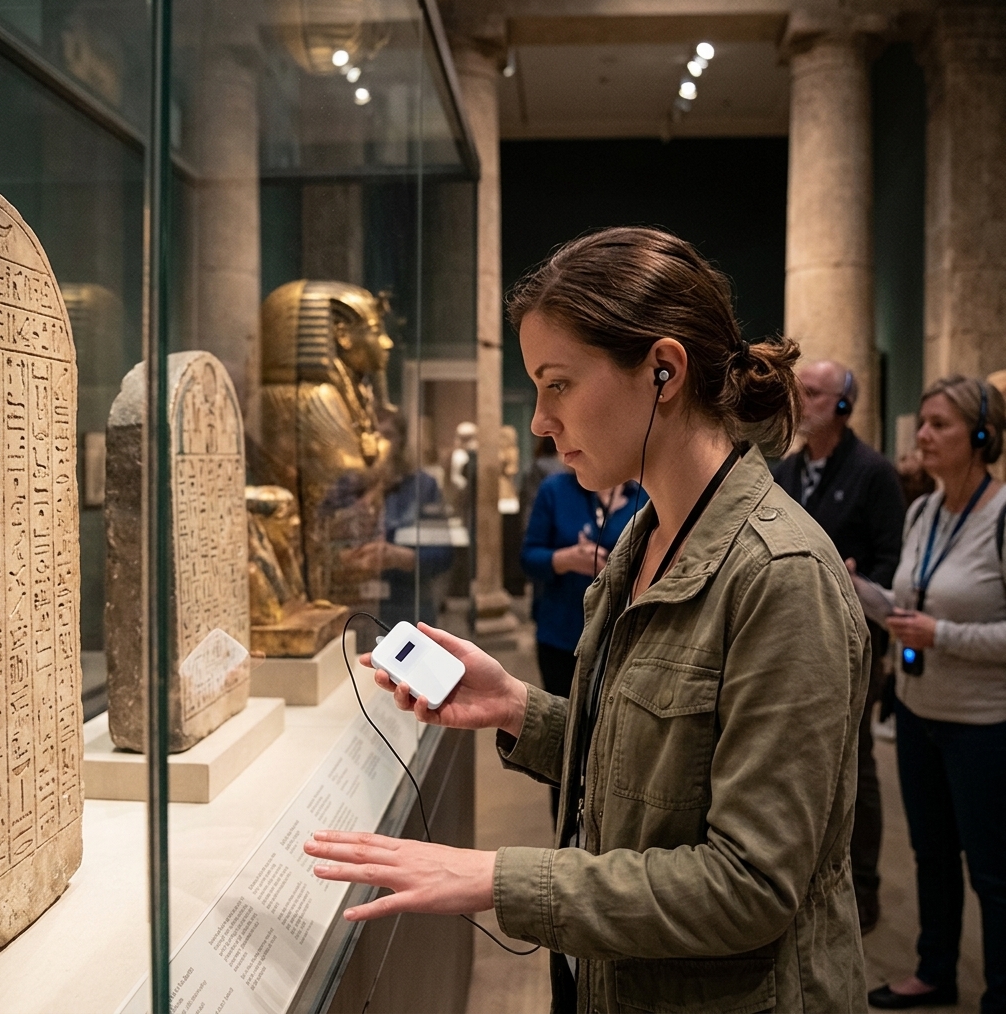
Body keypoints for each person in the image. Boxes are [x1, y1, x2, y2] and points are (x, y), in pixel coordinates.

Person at [303, 227, 870, 1014]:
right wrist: (518, 708)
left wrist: (494, 879)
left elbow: (749, 885)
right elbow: (659, 769)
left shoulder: (780, 577)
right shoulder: (647, 535)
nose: (538, 420)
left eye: (558, 383)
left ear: (662, 372)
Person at [867, 376, 1006, 1013]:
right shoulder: (922, 510)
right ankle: (934, 969)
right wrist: (863, 592)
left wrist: (939, 633)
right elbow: (908, 603)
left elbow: (939, 621)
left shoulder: (1001, 516)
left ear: (982, 436)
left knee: (993, 870)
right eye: (921, 421)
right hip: (919, 713)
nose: (922, 435)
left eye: (939, 425)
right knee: (931, 855)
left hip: (983, 723)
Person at [773, 360, 905, 933]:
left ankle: (865, 887)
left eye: (814, 392)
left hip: (853, 643)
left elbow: (890, 563)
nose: (801, 401)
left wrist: (857, 580)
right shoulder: (785, 469)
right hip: (789, 642)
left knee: (857, 762)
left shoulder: (874, 472)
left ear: (845, 405)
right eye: (799, 392)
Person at [521, 471, 640, 817]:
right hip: (561, 635)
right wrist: (566, 559)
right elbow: (529, 557)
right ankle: (565, 832)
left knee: (616, 739)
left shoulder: (642, 492)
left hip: (620, 638)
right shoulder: (555, 489)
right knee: (563, 742)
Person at [340, 410, 453, 627]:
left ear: (401, 441)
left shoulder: (422, 486)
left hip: (406, 605)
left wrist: (398, 557)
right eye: (373, 436)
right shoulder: (347, 485)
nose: (379, 444)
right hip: (353, 608)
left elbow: (443, 554)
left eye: (388, 435)